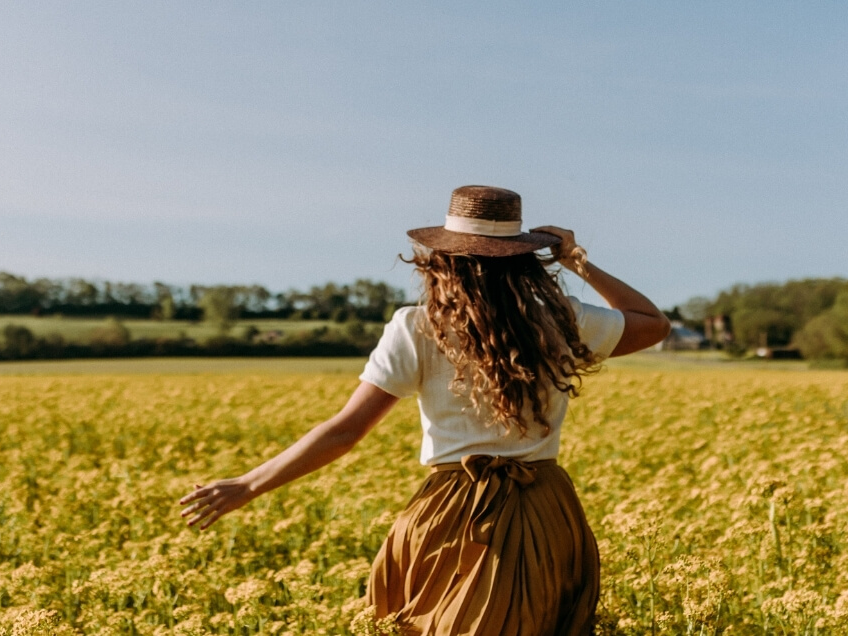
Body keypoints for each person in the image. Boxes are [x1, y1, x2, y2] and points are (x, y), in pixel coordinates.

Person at [179, 186, 670, 635]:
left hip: (448, 516)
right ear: (524, 260)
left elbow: (343, 432)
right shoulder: (565, 320)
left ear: (444, 259)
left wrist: (248, 485)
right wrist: (578, 260)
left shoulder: (416, 326)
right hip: (543, 511)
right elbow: (653, 323)